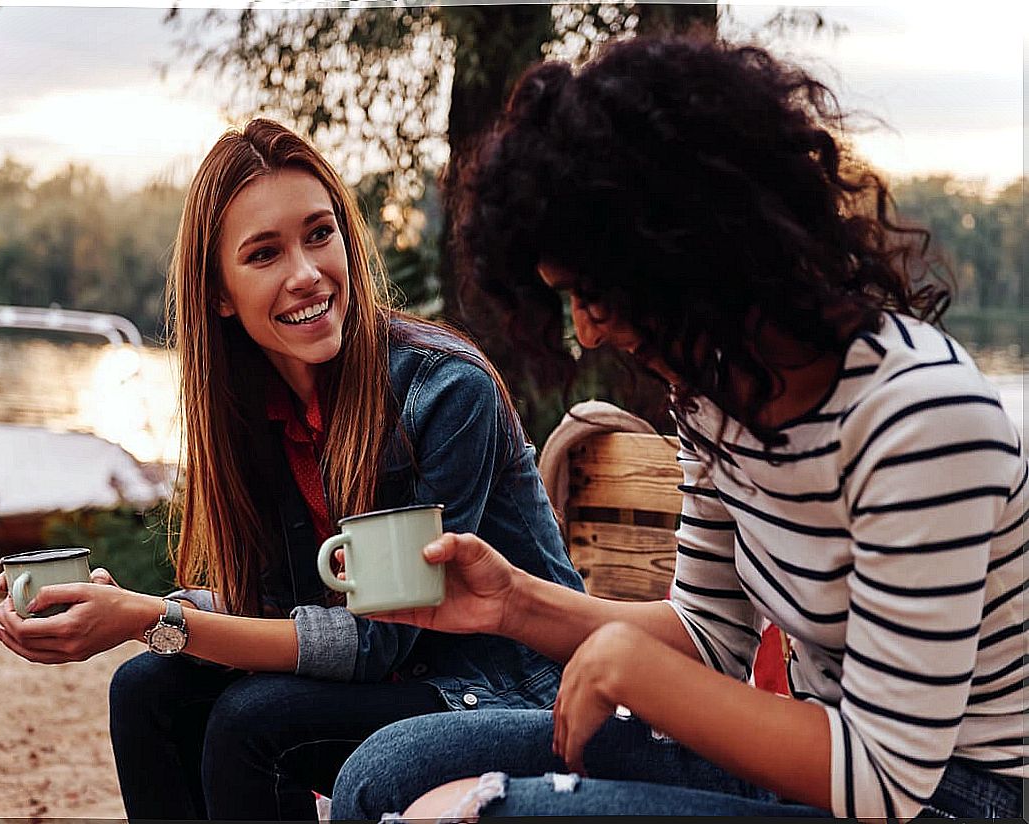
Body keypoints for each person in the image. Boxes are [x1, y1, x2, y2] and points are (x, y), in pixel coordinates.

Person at [332, 33, 1027, 821]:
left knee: (480, 812)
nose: (587, 332)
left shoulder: (920, 419)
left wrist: (634, 670)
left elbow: (882, 780)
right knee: (386, 771)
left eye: (595, 292)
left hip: (954, 797)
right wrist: (514, 605)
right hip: (810, 760)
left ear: (699, 245)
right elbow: (711, 637)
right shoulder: (717, 398)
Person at [0, 119, 583, 821]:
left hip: (505, 697)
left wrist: (152, 618)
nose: (306, 273)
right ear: (219, 293)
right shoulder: (255, 411)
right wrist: (121, 610)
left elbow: (375, 639)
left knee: (252, 723)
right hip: (396, 680)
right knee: (146, 692)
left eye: (319, 234)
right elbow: (272, 611)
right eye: (265, 253)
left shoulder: (447, 392)